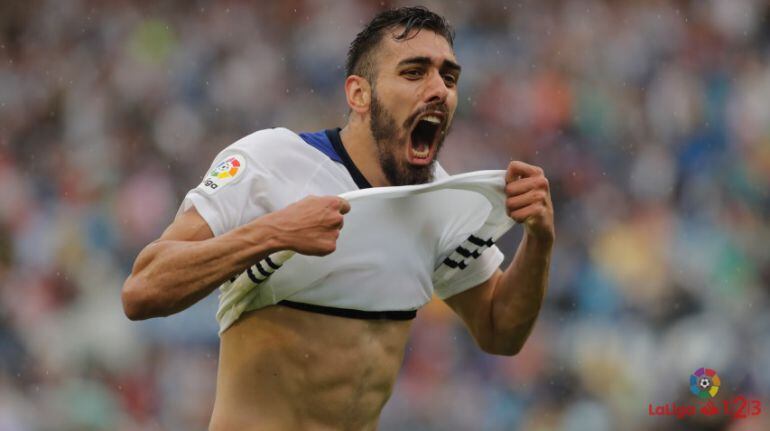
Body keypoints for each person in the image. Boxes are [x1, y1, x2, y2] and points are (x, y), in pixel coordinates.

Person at [121, 6, 554, 431]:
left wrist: (539, 239)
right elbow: (143, 290)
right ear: (359, 94)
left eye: (449, 76)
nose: (439, 88)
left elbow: (500, 331)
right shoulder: (272, 160)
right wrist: (274, 232)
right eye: (414, 72)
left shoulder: (440, 199)